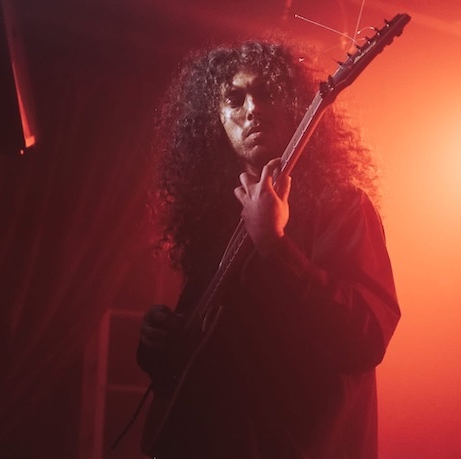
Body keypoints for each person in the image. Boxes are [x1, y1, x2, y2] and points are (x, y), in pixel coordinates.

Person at [136, 39, 400, 459]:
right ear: (215, 120)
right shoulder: (215, 218)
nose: (252, 109)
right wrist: (159, 342)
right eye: (234, 99)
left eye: (266, 93)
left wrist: (275, 246)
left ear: (294, 105)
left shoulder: (344, 206)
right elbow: (198, 357)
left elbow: (367, 336)